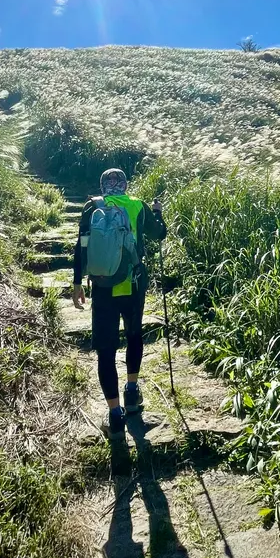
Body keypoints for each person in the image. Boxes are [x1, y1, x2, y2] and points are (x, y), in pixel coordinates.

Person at [72, 167, 167, 438]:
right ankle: (132, 392)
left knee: (105, 349)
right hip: (134, 284)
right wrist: (158, 212)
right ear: (124, 185)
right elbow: (159, 234)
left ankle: (115, 416)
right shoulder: (138, 205)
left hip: (103, 287)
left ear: (103, 186)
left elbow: (81, 245)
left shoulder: (93, 207)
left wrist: (78, 282)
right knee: (134, 335)